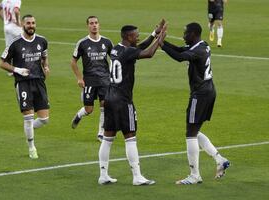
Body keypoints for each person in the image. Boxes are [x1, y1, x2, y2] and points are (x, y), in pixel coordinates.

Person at [160, 22, 230, 184]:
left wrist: (160, 44)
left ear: (193, 34)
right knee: (194, 130)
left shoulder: (197, 50)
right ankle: (220, 159)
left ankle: (194, 175)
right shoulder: (201, 46)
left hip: (200, 95)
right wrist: (161, 42)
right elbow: (179, 49)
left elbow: (179, 57)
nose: (183, 36)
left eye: (185, 33)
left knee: (190, 133)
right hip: (208, 91)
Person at [98, 20, 166, 186]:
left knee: (108, 138)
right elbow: (148, 53)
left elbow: (139, 47)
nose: (138, 37)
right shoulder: (127, 52)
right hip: (123, 101)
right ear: (128, 37)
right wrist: (160, 38)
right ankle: (137, 176)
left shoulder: (116, 48)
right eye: (136, 35)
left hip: (109, 98)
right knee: (130, 137)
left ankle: (103, 175)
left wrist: (153, 34)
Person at [0, 14, 50, 159]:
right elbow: (2, 63)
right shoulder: (15, 43)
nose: (31, 25)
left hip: (39, 81)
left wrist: (46, 66)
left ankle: (28, 128)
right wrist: (17, 70)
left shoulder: (42, 41)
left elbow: (44, 57)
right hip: (23, 83)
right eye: (28, 23)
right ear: (23, 24)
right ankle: (31, 147)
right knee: (28, 117)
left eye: (33, 23)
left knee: (44, 119)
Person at [70, 16, 113, 142]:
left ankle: (101, 133)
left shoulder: (107, 42)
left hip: (105, 80)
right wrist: (79, 78)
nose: (94, 25)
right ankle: (79, 115)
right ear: (87, 26)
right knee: (89, 110)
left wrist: (111, 74)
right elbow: (73, 62)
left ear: (99, 25)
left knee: (105, 106)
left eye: (96, 23)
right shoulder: (82, 43)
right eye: (91, 23)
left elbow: (115, 58)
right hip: (89, 80)